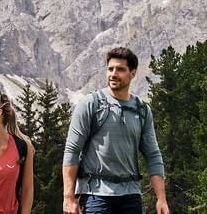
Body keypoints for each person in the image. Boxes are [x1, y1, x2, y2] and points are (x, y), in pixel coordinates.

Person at [63, 47, 169, 214]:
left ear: (132, 73)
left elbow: (153, 155)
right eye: (110, 69)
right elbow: (72, 150)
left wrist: (161, 198)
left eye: (120, 69)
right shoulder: (90, 104)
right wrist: (69, 197)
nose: (113, 74)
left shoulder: (142, 110)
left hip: (131, 195)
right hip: (95, 194)